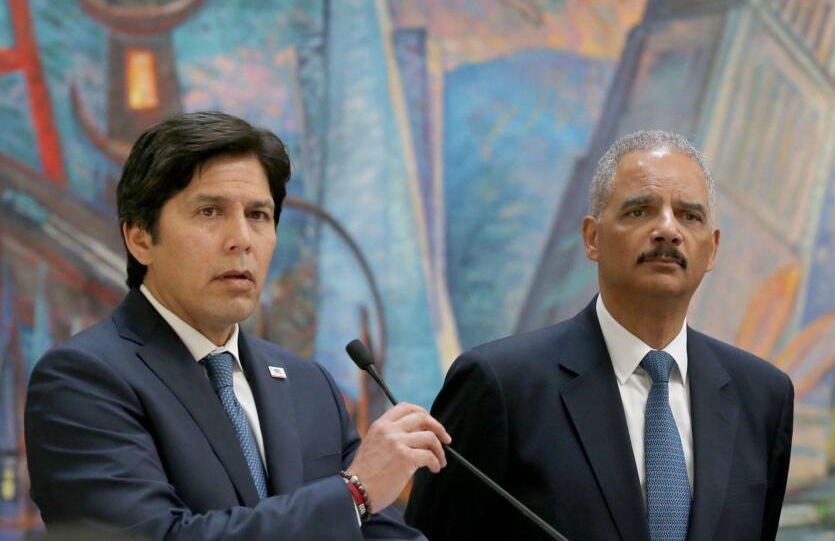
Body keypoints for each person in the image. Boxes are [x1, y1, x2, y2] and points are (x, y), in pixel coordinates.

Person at [25, 111, 450, 540]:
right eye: (210, 211)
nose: (241, 238)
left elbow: (378, 534)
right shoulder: (83, 380)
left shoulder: (309, 386)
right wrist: (354, 494)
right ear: (140, 238)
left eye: (259, 215)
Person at [406, 130, 794, 540]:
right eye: (640, 211)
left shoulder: (762, 396)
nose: (667, 230)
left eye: (689, 216)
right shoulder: (501, 385)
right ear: (593, 237)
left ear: (712, 248)